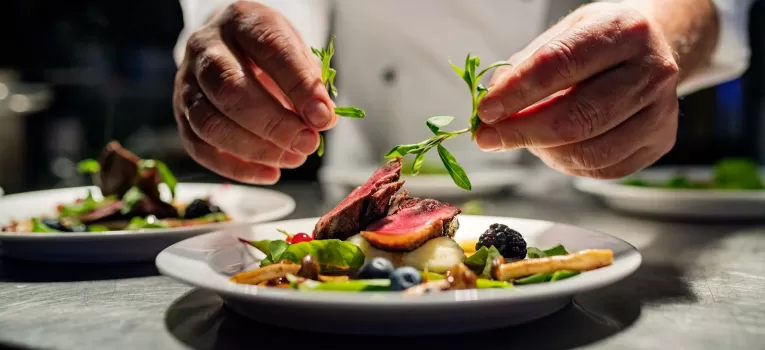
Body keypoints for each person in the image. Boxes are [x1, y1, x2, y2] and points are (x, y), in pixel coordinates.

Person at [172, 0, 754, 185]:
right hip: (360, 174)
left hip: (566, 192)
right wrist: (252, 46)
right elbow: (262, 10)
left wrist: (657, 32)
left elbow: (704, 5)